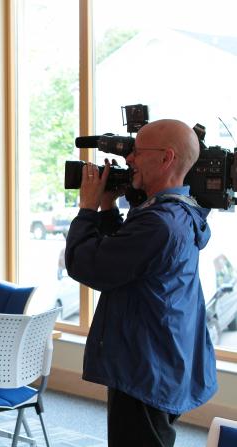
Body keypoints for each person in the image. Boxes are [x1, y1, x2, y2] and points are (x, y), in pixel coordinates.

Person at [65, 119, 217, 447]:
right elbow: (123, 258)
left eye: (136, 151)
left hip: (145, 365)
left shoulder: (159, 224)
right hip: (162, 356)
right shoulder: (178, 212)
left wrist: (87, 208)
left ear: (166, 158)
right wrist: (108, 207)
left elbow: (86, 264)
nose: (128, 159)